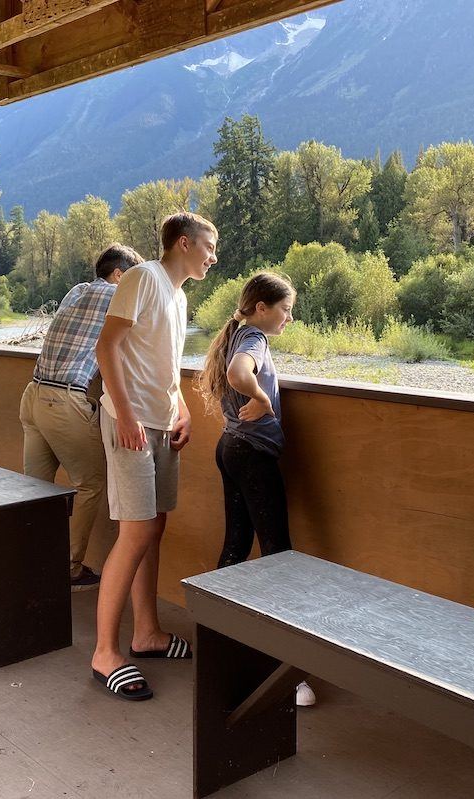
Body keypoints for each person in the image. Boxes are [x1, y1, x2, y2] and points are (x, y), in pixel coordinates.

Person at [90, 212, 217, 701]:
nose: (213, 256)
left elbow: (159, 364)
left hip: (160, 422)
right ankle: (105, 653)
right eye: (209, 246)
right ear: (183, 242)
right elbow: (108, 347)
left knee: (155, 524)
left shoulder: (179, 295)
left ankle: (146, 633)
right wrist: (124, 414)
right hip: (132, 422)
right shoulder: (143, 278)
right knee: (137, 528)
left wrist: (182, 407)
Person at [196, 272, 315, 707]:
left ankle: (219, 644)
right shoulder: (254, 341)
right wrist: (263, 400)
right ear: (262, 307)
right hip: (251, 454)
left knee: (235, 547)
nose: (288, 318)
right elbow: (237, 373)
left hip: (230, 446)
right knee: (278, 555)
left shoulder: (236, 333)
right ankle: (281, 669)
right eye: (285, 309)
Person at [19, 243, 144, 591]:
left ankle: (32, 561)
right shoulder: (114, 298)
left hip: (33, 395)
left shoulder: (77, 292)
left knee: (35, 490)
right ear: (119, 275)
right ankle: (69, 568)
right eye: (133, 279)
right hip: (64, 401)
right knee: (90, 484)